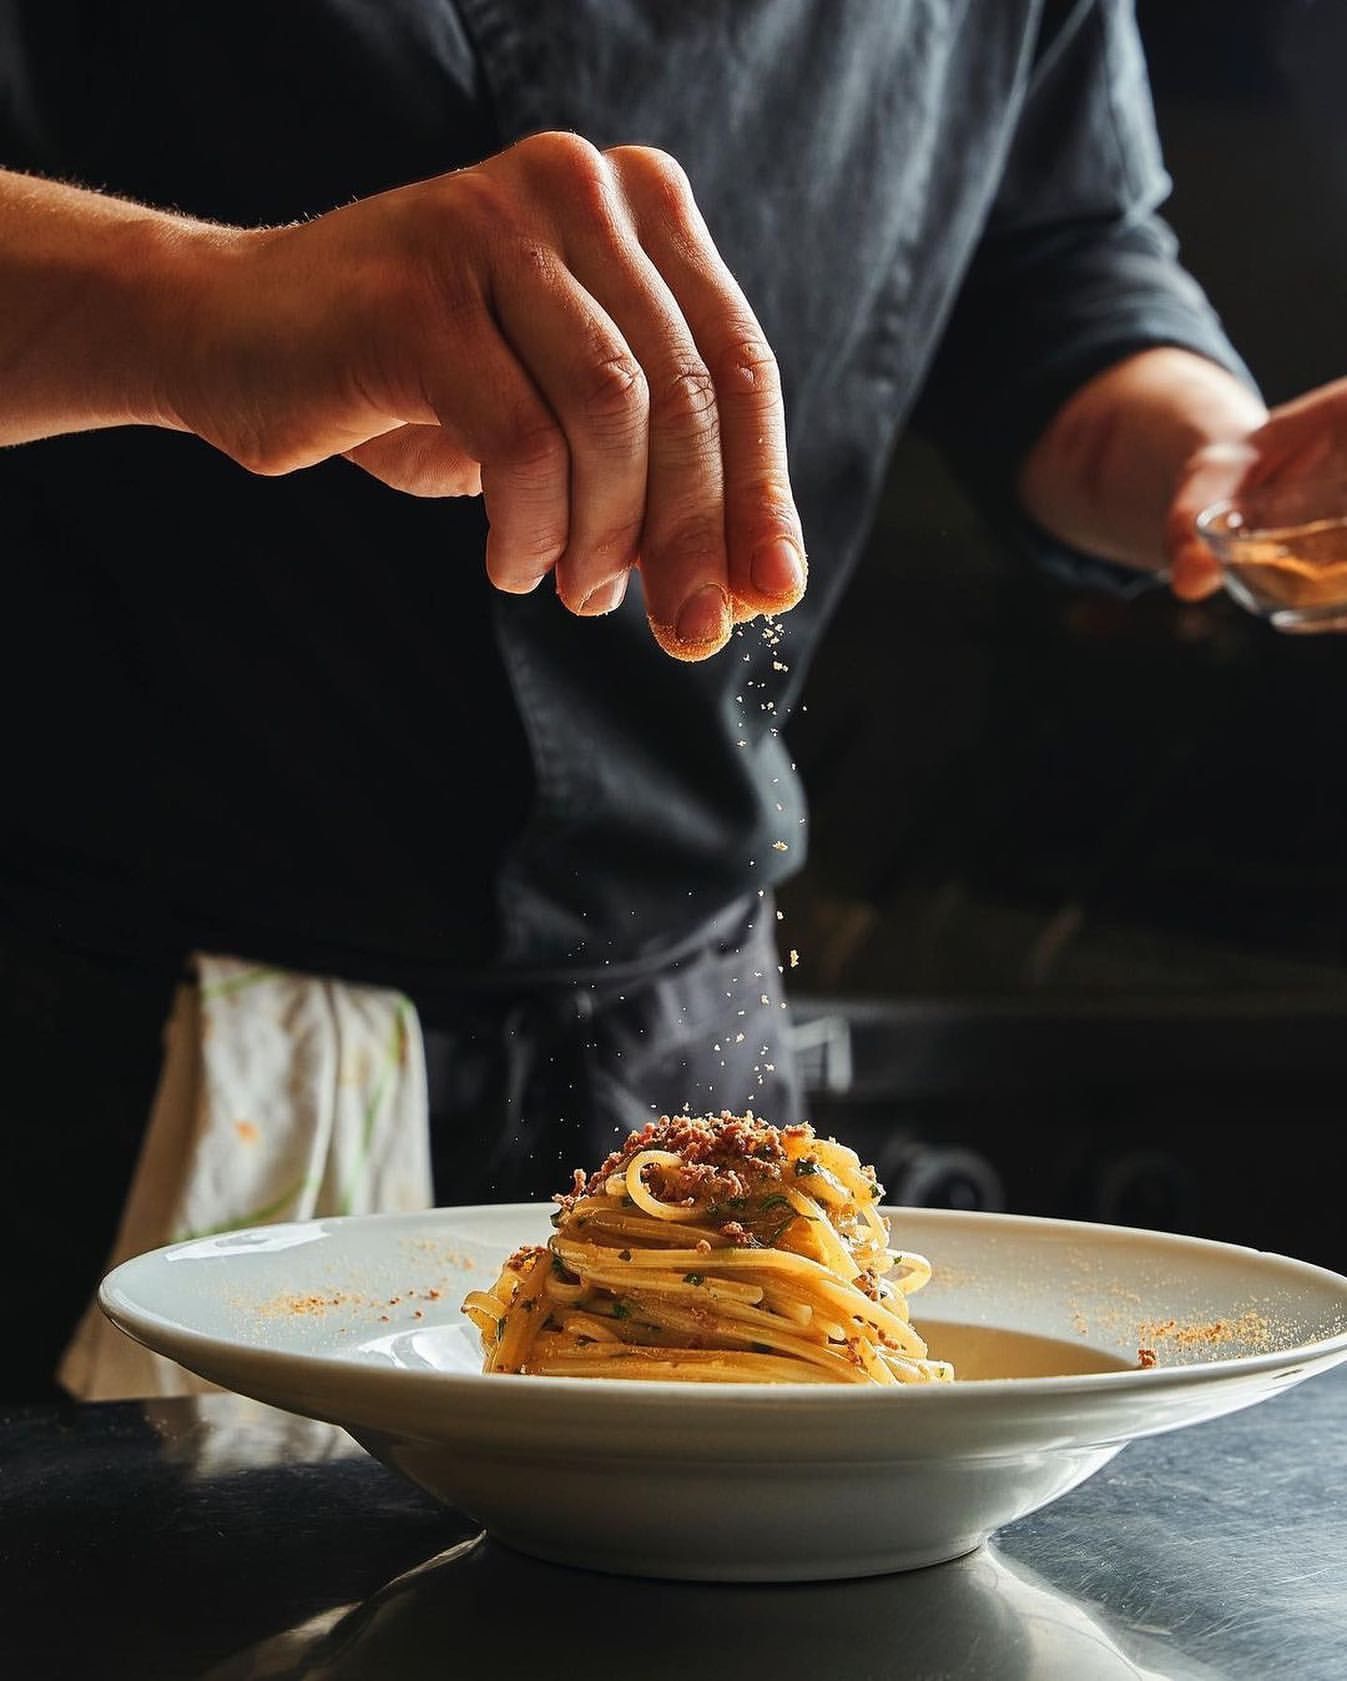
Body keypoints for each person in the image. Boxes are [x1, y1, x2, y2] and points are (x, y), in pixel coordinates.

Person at [0, 0, 1331, 1397]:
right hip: (111, 1047)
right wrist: (198, 298)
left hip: (689, 1044)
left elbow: (1058, 272)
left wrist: (1228, 469)